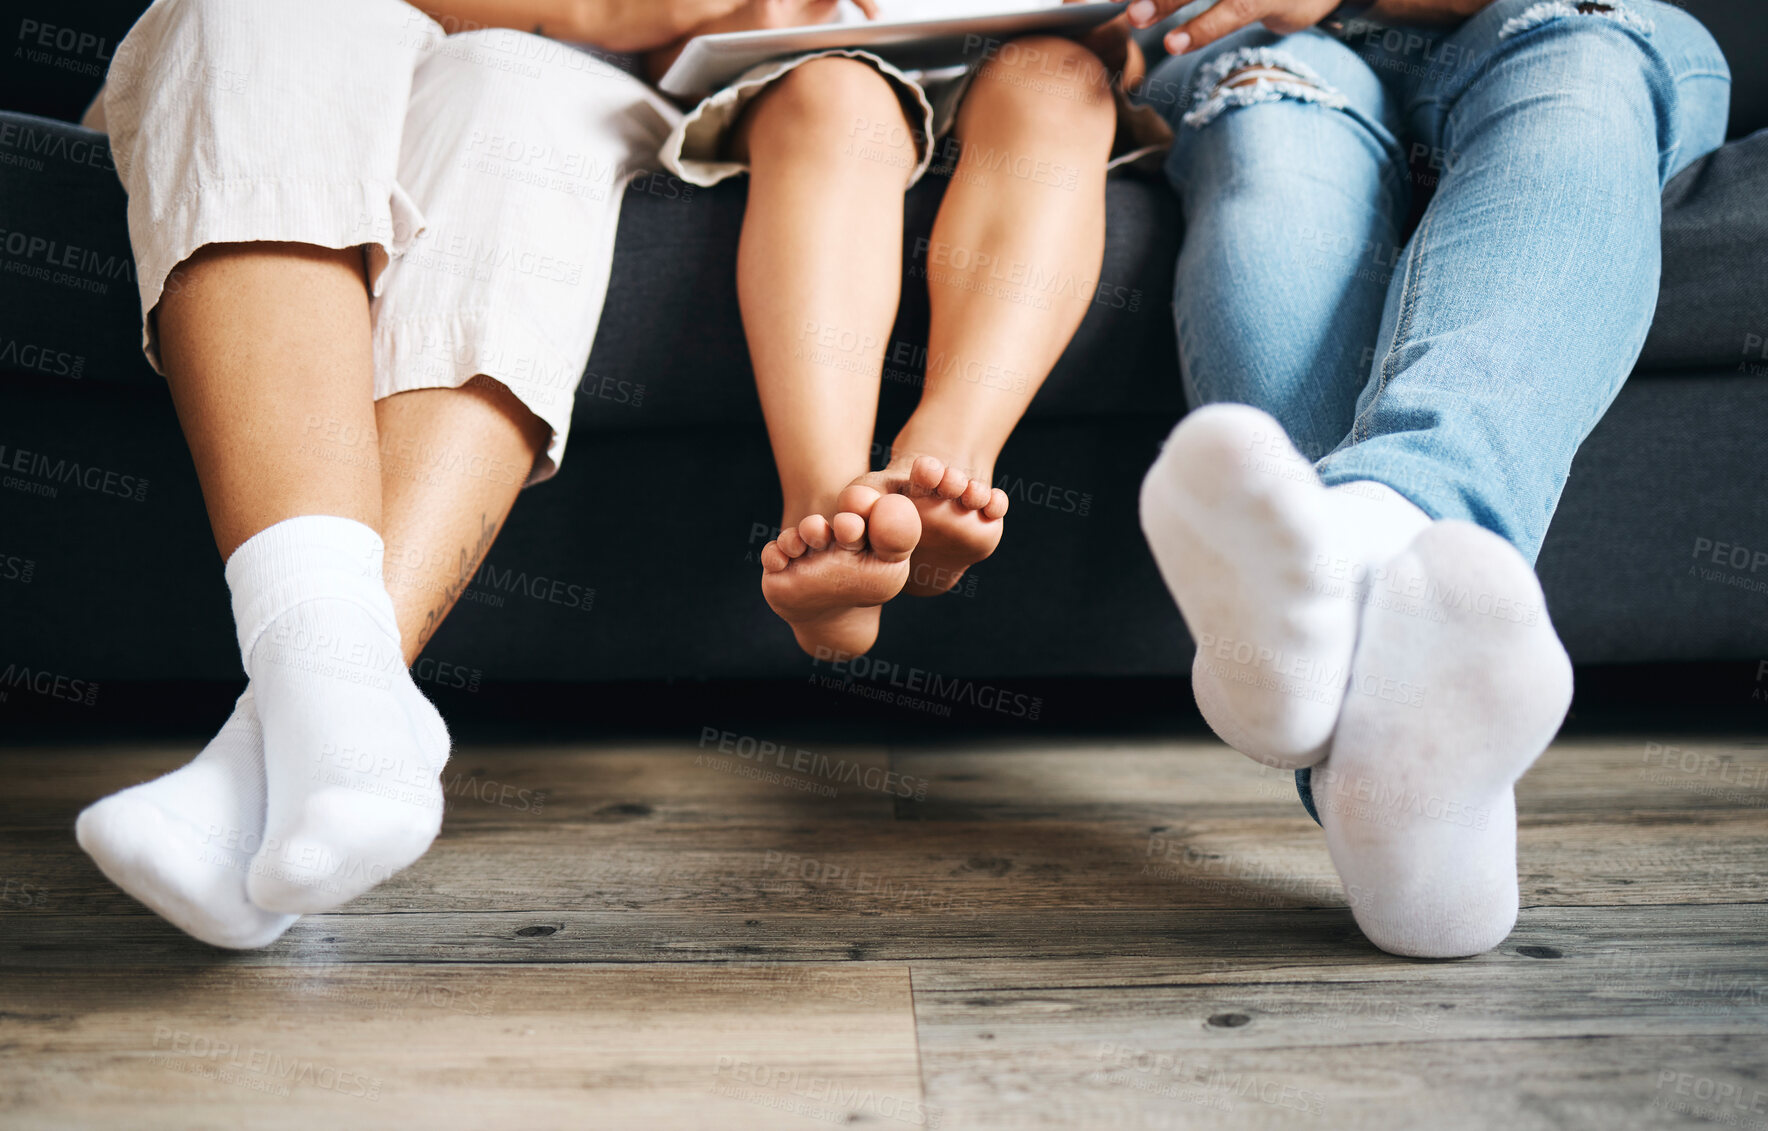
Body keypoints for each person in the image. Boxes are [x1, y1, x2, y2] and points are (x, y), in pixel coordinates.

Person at [72, 0, 743, 948]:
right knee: (270, 16)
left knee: (527, 89)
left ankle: (264, 769)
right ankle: (330, 714)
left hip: (582, 71)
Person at [1128, 0, 1730, 956]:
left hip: (1550, 15)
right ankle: (1411, 817)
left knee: (1582, 77)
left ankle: (1354, 543)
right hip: (1265, 49)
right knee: (1275, 133)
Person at [651, 0, 1167, 657]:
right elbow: (651, 37)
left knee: (1061, 80)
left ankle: (943, 458)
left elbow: (1129, 53)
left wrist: (1105, 33)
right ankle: (827, 507)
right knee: (834, 97)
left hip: (1012, 56)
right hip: (804, 64)